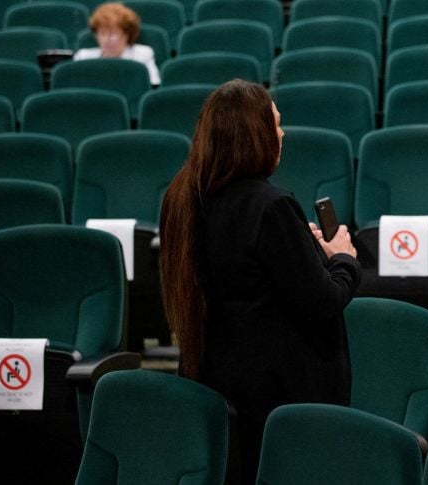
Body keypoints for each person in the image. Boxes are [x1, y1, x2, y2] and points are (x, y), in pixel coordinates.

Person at [159, 79, 361, 483]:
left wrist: (301, 247)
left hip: (216, 386)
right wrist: (343, 258)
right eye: (276, 124)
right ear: (254, 136)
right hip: (281, 401)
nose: (282, 134)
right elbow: (322, 302)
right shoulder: (270, 205)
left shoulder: (183, 198)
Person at [73, 2, 161, 85]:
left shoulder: (143, 55)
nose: (107, 39)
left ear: (127, 34)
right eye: (102, 33)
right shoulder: (84, 57)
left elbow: (153, 84)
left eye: (113, 34)